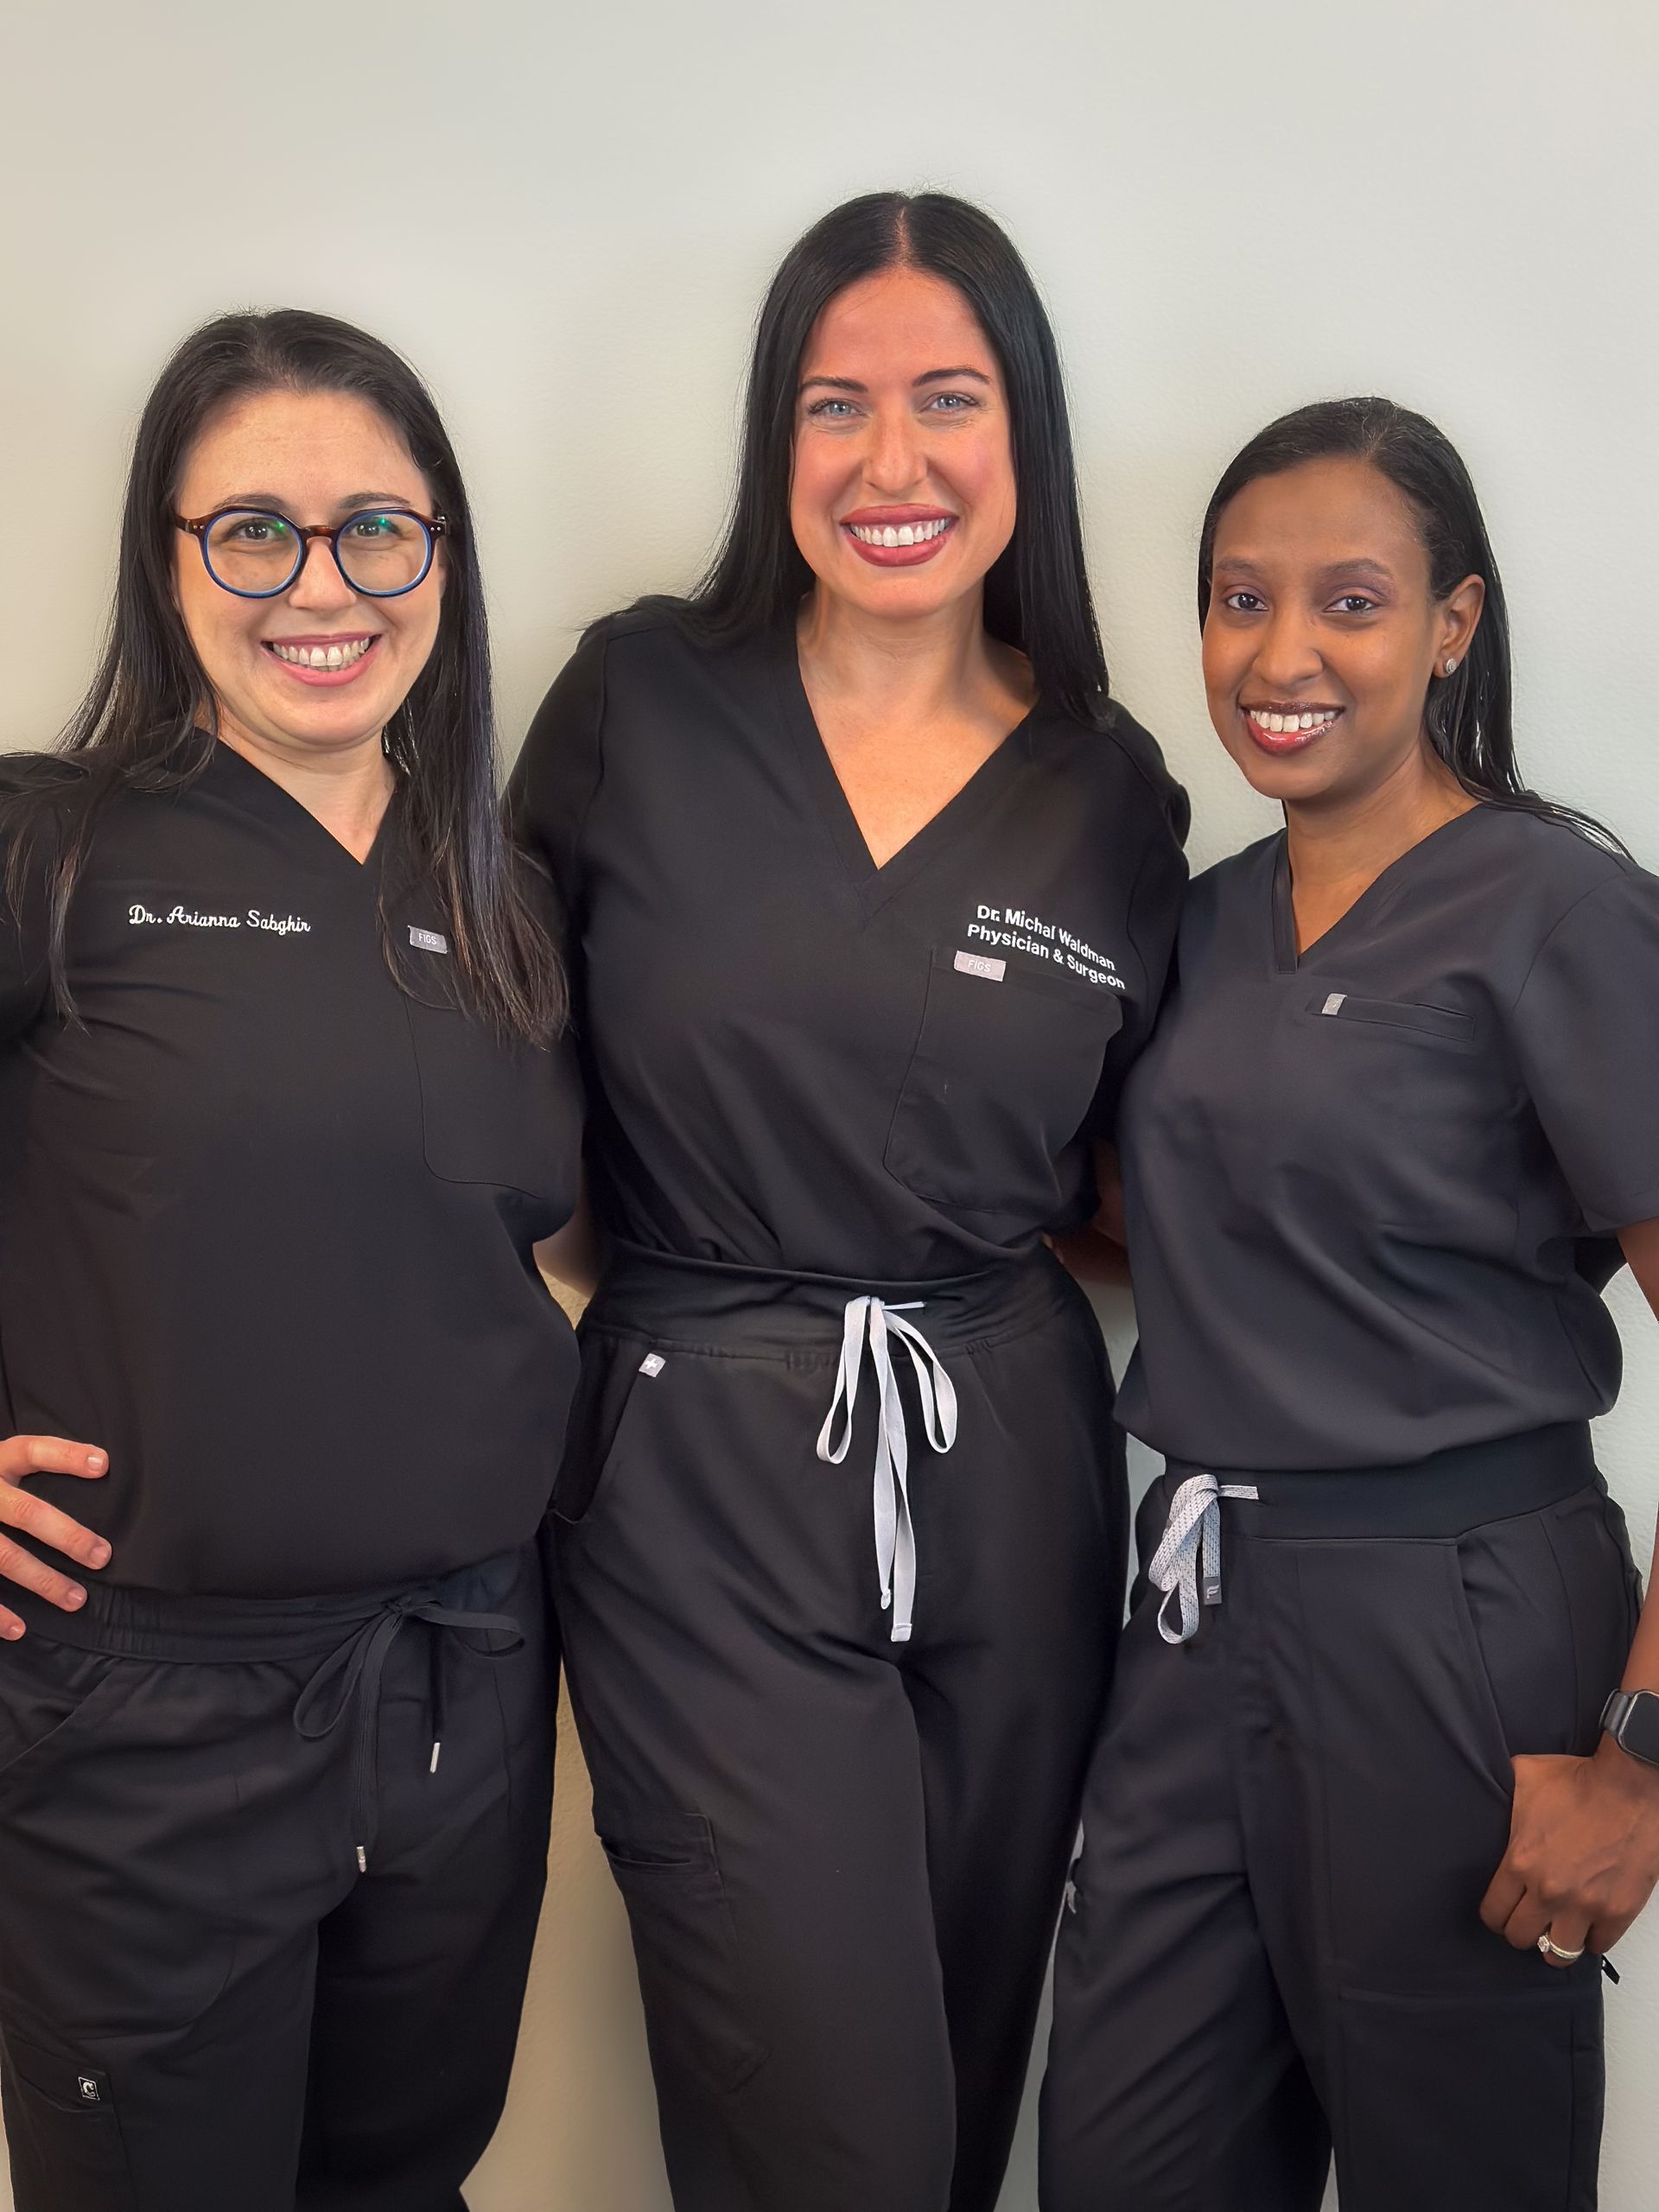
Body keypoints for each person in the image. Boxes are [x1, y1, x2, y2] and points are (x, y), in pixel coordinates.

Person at [510, 189, 1187, 2212]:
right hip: (701, 1460)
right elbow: (476, 1075)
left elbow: (1128, 1169)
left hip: (1014, 1475)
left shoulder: (1112, 784)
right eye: (837, 404)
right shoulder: (638, 698)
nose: (893, 461)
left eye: (950, 398)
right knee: (844, 2140)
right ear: (772, 437)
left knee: (961, 2103)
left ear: (1025, 434)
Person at [1039, 397, 1659, 2212]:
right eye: (1241, 600)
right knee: (1124, 2163)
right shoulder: (1204, 921)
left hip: (1460, 1631)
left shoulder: (1554, 907)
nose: (1282, 653)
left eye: (1351, 601)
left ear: (1452, 624)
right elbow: (1206, 1228)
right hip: (1195, 1616)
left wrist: (1639, 1757)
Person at [0, 310, 580, 2211]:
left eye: (375, 531)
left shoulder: (502, 891)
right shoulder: (56, 850)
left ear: (444, 557)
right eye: (251, 530)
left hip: (464, 1689)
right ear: (167, 563)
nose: (319, 586)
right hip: (146, 1718)